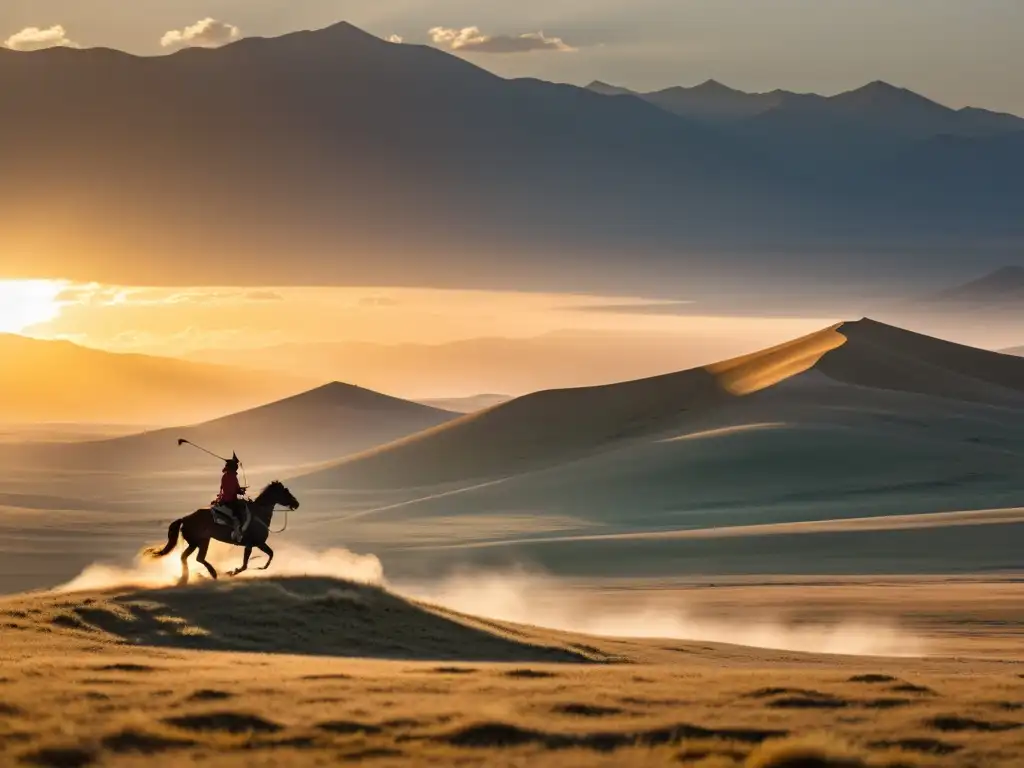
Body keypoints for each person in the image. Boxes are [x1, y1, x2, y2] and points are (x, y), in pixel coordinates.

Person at [212, 453, 249, 542]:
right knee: (240, 513)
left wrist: (240, 490)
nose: (237, 468)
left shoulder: (228, 476)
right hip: (229, 499)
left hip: (229, 498)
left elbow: (234, 488)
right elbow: (231, 490)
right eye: (235, 466)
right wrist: (240, 491)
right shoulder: (230, 476)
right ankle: (237, 533)